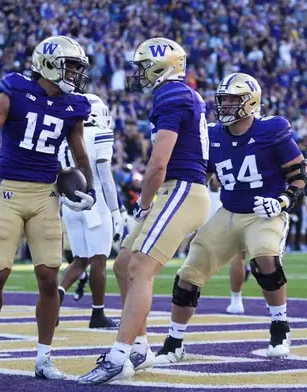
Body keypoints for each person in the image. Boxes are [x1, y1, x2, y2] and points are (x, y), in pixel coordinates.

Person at [0, 36, 94, 379]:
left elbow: (81, 156)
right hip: (10, 192)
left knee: (48, 277)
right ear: (47, 64)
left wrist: (90, 190)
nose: (75, 73)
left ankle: (44, 358)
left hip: (47, 194)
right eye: (69, 65)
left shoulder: (73, 106)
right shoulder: (12, 92)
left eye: (77, 67)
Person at [153, 73, 307, 364]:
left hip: (264, 213)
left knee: (265, 257)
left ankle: (280, 327)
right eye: (223, 99)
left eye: (233, 100)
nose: (225, 105)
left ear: (250, 102)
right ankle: (174, 342)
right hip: (227, 212)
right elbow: (202, 176)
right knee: (189, 273)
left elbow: (301, 179)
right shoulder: (212, 134)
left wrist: (281, 201)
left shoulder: (272, 129)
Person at [78, 37, 210, 385]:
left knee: (139, 267)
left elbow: (158, 164)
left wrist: (144, 203)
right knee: (122, 265)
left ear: (161, 65)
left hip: (180, 189)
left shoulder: (171, 95)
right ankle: (139, 346)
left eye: (142, 66)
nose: (137, 73)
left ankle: (119, 357)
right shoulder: (179, 94)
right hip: (176, 189)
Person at [57, 93, 123, 329]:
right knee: (98, 260)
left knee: (80, 259)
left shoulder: (65, 137)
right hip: (94, 201)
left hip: (70, 203)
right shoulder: (100, 134)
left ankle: (57, 295)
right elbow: (105, 179)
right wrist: (116, 211)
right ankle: (98, 313)